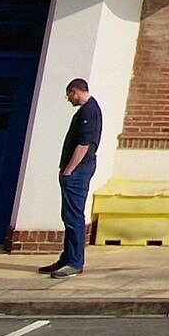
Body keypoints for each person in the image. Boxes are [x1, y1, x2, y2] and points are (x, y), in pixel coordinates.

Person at [42, 78, 102, 278]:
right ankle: (66, 258)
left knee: (74, 217)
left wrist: (69, 169)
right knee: (68, 216)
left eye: (69, 95)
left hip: (78, 171)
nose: (68, 99)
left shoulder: (88, 112)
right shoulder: (89, 110)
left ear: (75, 91)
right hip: (79, 170)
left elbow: (84, 144)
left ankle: (75, 262)